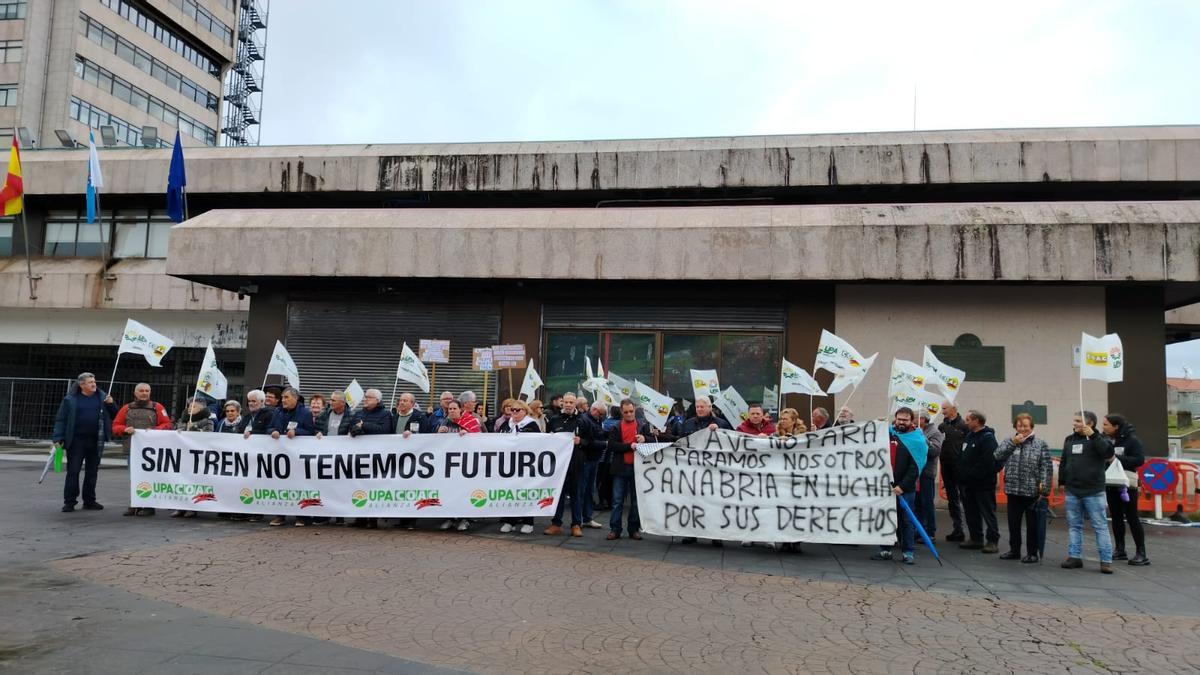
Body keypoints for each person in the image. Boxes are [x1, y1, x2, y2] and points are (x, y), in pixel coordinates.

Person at [52, 372, 118, 513]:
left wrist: (111, 404)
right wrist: (58, 438)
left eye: (94, 381)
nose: (93, 384)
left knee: (92, 472)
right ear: (82, 385)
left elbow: (115, 416)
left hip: (96, 440)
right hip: (76, 441)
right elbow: (61, 420)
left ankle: (89, 501)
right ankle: (69, 502)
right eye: (90, 382)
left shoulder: (103, 397)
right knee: (73, 471)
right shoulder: (70, 399)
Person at [1059, 410, 1116, 573]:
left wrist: (1093, 436)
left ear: (1089, 424)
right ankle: (1074, 556)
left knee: (1100, 525)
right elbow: (1064, 460)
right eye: (1074, 420)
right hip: (1073, 490)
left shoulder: (1101, 439)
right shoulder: (1069, 440)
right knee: (1074, 525)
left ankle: (1106, 560)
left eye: (1078, 421)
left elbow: (1108, 453)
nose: (1074, 423)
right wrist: (1062, 480)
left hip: (1093, 490)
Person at [993, 413, 1052, 563]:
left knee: (1032, 525)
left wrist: (1044, 489)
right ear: (1015, 427)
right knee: (1013, 523)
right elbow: (997, 455)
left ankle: (1032, 553)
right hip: (1013, 489)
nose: (1023, 428)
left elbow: (1046, 467)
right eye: (1019, 426)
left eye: (1026, 426)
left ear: (1031, 427)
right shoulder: (1010, 441)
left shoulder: (1040, 444)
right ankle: (1014, 550)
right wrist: (1012, 442)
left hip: (1031, 490)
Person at [871, 407, 925, 564]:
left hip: (905, 489)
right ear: (895, 418)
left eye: (905, 420)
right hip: (886, 487)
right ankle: (885, 550)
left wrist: (902, 486)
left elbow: (916, 467)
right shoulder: (887, 433)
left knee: (906, 521)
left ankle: (908, 552)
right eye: (899, 419)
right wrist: (877, 425)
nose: (901, 422)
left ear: (911, 421)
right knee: (886, 518)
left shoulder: (917, 439)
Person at [111, 383, 173, 516]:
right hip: (132, 449)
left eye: (147, 391)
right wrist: (124, 429)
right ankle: (135, 504)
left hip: (152, 451)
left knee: (150, 477)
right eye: (141, 391)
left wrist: (155, 431)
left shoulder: (158, 407)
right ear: (135, 393)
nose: (144, 393)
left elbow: (167, 424)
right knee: (134, 478)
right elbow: (115, 426)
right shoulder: (126, 408)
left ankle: (149, 506)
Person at [679, 396, 733, 546]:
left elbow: (731, 444)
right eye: (697, 407)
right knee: (692, 502)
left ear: (710, 408)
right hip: (693, 470)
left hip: (714, 471)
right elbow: (680, 442)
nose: (699, 409)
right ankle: (691, 533)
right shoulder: (688, 424)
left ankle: (715, 534)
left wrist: (719, 432)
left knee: (714, 503)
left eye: (702, 407)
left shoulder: (722, 424)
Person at [1103, 413, 1150, 566]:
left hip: (1127, 483)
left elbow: (1139, 460)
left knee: (1131, 517)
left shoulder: (1132, 441)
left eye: (1106, 425)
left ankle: (1141, 552)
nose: (1103, 427)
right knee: (1115, 516)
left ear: (1115, 426)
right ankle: (1120, 549)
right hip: (1110, 482)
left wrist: (1115, 459)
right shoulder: (1106, 440)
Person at [267, 388, 314, 527]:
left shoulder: (305, 413)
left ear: (295, 398)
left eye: (286, 397)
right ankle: (280, 515)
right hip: (281, 455)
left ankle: (301, 516)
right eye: (282, 398)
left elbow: (311, 431)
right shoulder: (278, 411)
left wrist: (297, 431)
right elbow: (269, 428)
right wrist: (273, 431)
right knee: (280, 484)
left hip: (298, 456)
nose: (283, 400)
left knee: (298, 484)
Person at [348, 388, 393, 529]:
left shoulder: (385, 414)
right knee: (358, 484)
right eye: (365, 397)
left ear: (377, 400)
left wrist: (364, 425)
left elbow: (384, 430)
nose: (365, 399)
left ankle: (372, 519)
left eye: (368, 397)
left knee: (374, 486)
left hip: (377, 457)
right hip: (359, 456)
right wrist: (356, 429)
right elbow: (352, 428)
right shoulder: (359, 413)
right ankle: (359, 518)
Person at [606, 399, 650, 541]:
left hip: (638, 469)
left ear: (635, 409)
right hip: (621, 467)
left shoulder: (642, 425)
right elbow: (611, 445)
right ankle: (615, 529)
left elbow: (653, 441)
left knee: (636, 501)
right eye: (626, 412)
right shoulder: (616, 427)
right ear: (621, 411)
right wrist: (628, 446)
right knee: (617, 500)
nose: (629, 414)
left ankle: (633, 529)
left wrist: (645, 438)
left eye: (631, 411)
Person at [957, 410, 1000, 553]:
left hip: (983, 484)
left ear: (977, 421)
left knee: (988, 512)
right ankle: (976, 538)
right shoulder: (969, 436)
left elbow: (987, 462)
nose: (965, 422)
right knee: (971, 512)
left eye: (968, 419)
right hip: (968, 484)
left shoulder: (988, 438)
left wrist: (971, 475)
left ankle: (992, 541)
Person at [497, 400, 541, 534]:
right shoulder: (506, 424)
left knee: (525, 491)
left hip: (525, 463)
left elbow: (539, 442)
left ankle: (528, 521)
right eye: (513, 410)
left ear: (525, 411)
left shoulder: (532, 425)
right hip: (508, 463)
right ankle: (510, 521)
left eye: (518, 410)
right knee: (509, 491)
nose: (514, 412)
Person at [545, 393, 585, 537]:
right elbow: (547, 438)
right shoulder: (554, 419)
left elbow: (594, 441)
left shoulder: (582, 420)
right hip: (558, 464)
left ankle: (576, 524)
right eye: (566, 402)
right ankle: (556, 523)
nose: (568, 404)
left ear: (575, 404)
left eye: (571, 402)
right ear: (562, 403)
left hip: (576, 463)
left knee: (576, 494)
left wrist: (581, 441)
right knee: (558, 494)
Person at [438, 400, 478, 532]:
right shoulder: (446, 422)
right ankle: (451, 517)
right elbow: (436, 441)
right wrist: (438, 432)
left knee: (463, 491)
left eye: (454, 408)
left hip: (467, 463)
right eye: (449, 409)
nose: (451, 411)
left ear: (461, 409)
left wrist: (468, 435)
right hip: (449, 463)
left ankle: (464, 519)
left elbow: (481, 437)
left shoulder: (471, 420)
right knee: (449, 490)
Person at [172, 397, 215, 518]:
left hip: (198, 458)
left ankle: (192, 507)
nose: (190, 408)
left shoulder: (208, 421)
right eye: (189, 406)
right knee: (181, 481)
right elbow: (174, 432)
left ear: (201, 409)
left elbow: (209, 436)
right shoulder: (182, 420)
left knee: (195, 482)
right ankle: (180, 507)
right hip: (183, 456)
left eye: (194, 407)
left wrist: (193, 427)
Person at [773, 407, 807, 552]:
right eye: (781, 418)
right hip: (781, 478)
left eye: (785, 419)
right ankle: (785, 540)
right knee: (783, 509)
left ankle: (797, 541)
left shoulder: (804, 434)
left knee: (797, 510)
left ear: (794, 421)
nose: (782, 421)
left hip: (798, 478)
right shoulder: (775, 433)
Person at [938, 404, 969, 542]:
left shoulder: (964, 426)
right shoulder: (942, 426)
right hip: (946, 466)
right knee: (952, 499)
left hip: (960, 467)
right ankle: (958, 529)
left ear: (953, 409)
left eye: (944, 408)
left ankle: (974, 532)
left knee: (966, 497)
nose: (942, 411)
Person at [916, 414, 944, 541]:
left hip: (926, 473)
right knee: (917, 503)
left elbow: (934, 451)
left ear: (922, 419)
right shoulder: (913, 430)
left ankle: (929, 531)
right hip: (915, 472)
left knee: (926, 502)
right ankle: (919, 530)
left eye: (914, 418)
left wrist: (922, 436)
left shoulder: (935, 432)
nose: (912, 421)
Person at [587, 401, 614, 512]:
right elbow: (590, 441)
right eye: (601, 414)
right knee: (604, 482)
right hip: (599, 457)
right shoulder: (590, 421)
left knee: (599, 482)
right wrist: (605, 443)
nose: (602, 416)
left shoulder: (602, 422)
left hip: (600, 457)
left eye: (603, 414)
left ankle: (599, 503)